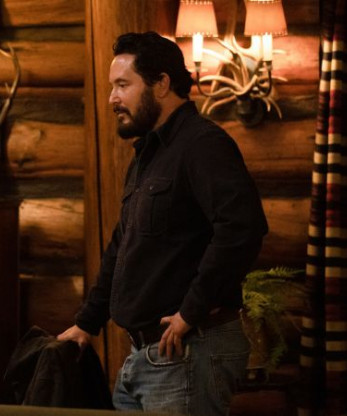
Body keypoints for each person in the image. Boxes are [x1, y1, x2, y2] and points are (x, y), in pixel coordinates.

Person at [57, 32, 268, 415]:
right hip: (145, 357)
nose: (112, 98)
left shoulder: (203, 144)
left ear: (162, 83)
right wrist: (87, 322)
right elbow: (124, 244)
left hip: (186, 352)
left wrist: (191, 312)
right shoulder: (149, 152)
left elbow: (242, 228)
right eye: (112, 86)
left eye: (123, 85)